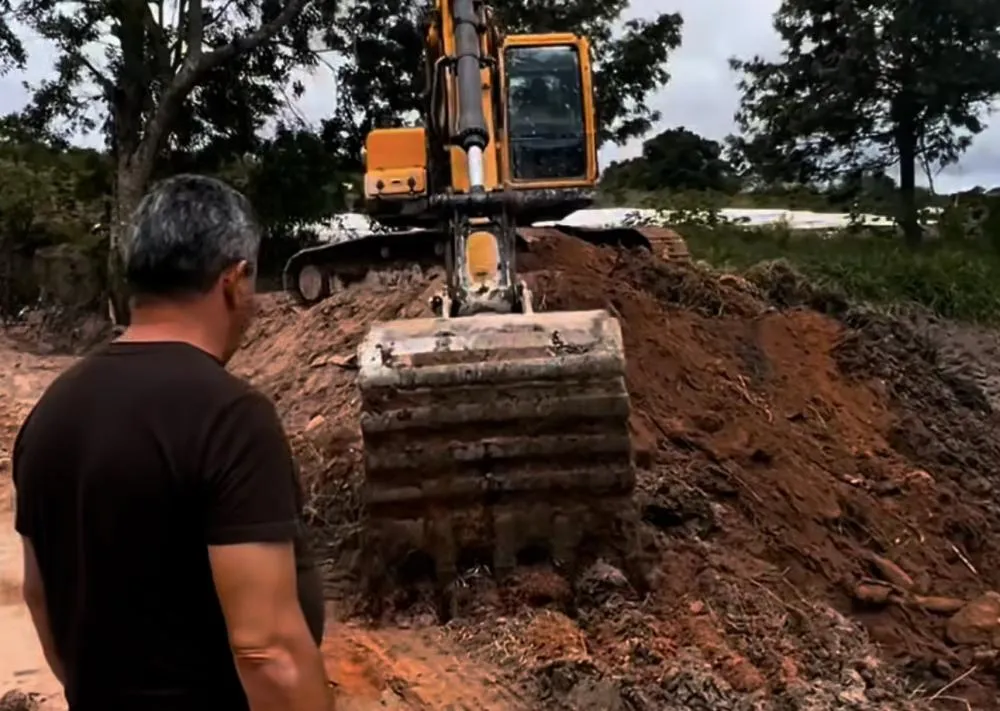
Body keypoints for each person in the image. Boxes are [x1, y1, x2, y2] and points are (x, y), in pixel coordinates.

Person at [11, 174, 334, 711]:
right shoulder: (230, 418)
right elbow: (267, 652)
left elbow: (39, 597)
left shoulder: (51, 413)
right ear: (234, 281)